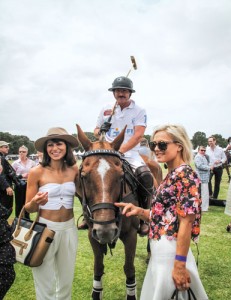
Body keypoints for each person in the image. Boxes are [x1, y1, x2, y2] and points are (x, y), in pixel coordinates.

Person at [115, 124, 208, 300]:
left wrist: (180, 265)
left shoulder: (186, 175)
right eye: (153, 145)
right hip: (160, 250)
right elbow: (163, 218)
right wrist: (140, 211)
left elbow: (186, 222)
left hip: (171, 251)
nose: (156, 149)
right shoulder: (171, 175)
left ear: (179, 145)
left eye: (162, 144)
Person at [90, 76, 153, 236]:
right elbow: (96, 130)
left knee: (145, 175)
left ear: (130, 93)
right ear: (114, 93)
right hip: (106, 152)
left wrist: (120, 151)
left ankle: (145, 217)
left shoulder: (139, 110)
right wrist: (100, 130)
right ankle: (87, 214)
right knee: (86, 174)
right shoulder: (106, 109)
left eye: (124, 90)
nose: (121, 93)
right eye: (118, 90)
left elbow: (138, 136)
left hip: (130, 153)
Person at [25, 127, 79, 300]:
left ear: (67, 147)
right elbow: (29, 208)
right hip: (45, 229)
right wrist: (34, 203)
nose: (55, 148)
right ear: (46, 149)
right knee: (43, 280)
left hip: (69, 229)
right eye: (50, 145)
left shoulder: (74, 170)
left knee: (66, 279)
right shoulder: (36, 172)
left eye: (59, 144)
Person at [12, 145, 36, 219]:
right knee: (19, 203)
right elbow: (12, 176)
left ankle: (27, 219)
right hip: (19, 184)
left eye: (23, 152)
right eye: (20, 152)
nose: (21, 153)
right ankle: (17, 220)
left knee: (28, 202)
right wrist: (21, 175)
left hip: (29, 184)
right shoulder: (15, 163)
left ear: (27, 152)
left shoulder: (32, 162)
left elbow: (35, 173)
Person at [194, 146, 211, 212]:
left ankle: (203, 206)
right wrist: (209, 167)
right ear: (198, 150)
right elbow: (199, 166)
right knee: (204, 193)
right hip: (201, 178)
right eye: (202, 150)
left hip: (204, 178)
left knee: (204, 193)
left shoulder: (203, 156)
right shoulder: (198, 157)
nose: (203, 151)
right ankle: (204, 208)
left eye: (204, 150)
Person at [0, 141, 14, 210]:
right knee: (6, 210)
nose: (8, 148)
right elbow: (0, 174)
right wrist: (7, 187)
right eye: (5, 147)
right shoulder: (1, 158)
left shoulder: (2, 157)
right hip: (3, 190)